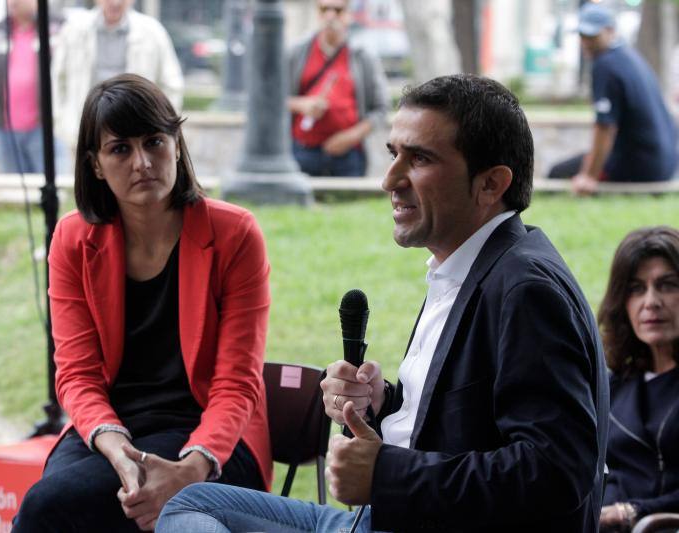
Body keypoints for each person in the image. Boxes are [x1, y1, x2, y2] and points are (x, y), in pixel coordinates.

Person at [157, 74, 609, 532]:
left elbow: (556, 473)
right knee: (192, 504)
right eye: (394, 154)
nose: (389, 179)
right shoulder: (467, 266)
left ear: (491, 184)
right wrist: (382, 404)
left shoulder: (526, 290)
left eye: (420, 159)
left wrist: (386, 474)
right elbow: (463, 427)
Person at [13, 74, 271, 532]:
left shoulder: (235, 234)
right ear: (95, 165)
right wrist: (115, 447)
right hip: (112, 426)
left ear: (177, 145)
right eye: (120, 149)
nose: (142, 162)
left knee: (57, 508)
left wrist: (191, 470)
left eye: (154, 142)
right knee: (48, 505)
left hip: (212, 434)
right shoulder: (73, 239)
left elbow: (237, 382)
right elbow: (76, 373)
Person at [596, 226, 679, 532]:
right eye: (636, 289)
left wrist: (633, 512)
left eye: (667, 285)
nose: (651, 302)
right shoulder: (613, 385)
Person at [547, 2, 678, 195]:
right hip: (664, 165)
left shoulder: (606, 64)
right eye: (582, 36)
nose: (586, 42)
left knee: (556, 173)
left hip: (642, 167)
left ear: (610, 31)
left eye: (592, 36)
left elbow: (605, 127)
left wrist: (589, 176)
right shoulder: (628, 55)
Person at [52, 0, 184, 149]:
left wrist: (163, 127)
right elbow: (58, 79)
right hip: (83, 132)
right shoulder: (74, 30)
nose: (115, 2)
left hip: (138, 130)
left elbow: (171, 84)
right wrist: (61, 124)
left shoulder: (152, 32)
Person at [287, 0, 388, 177]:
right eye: (324, 9)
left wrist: (351, 136)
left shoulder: (363, 56)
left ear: (348, 14)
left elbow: (381, 109)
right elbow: (273, 100)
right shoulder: (297, 52)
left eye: (337, 10)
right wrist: (302, 105)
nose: (330, 15)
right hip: (303, 151)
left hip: (349, 155)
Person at [0, 0, 64, 173]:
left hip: (48, 130)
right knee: (13, 188)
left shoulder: (59, 29)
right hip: (5, 133)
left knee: (55, 184)